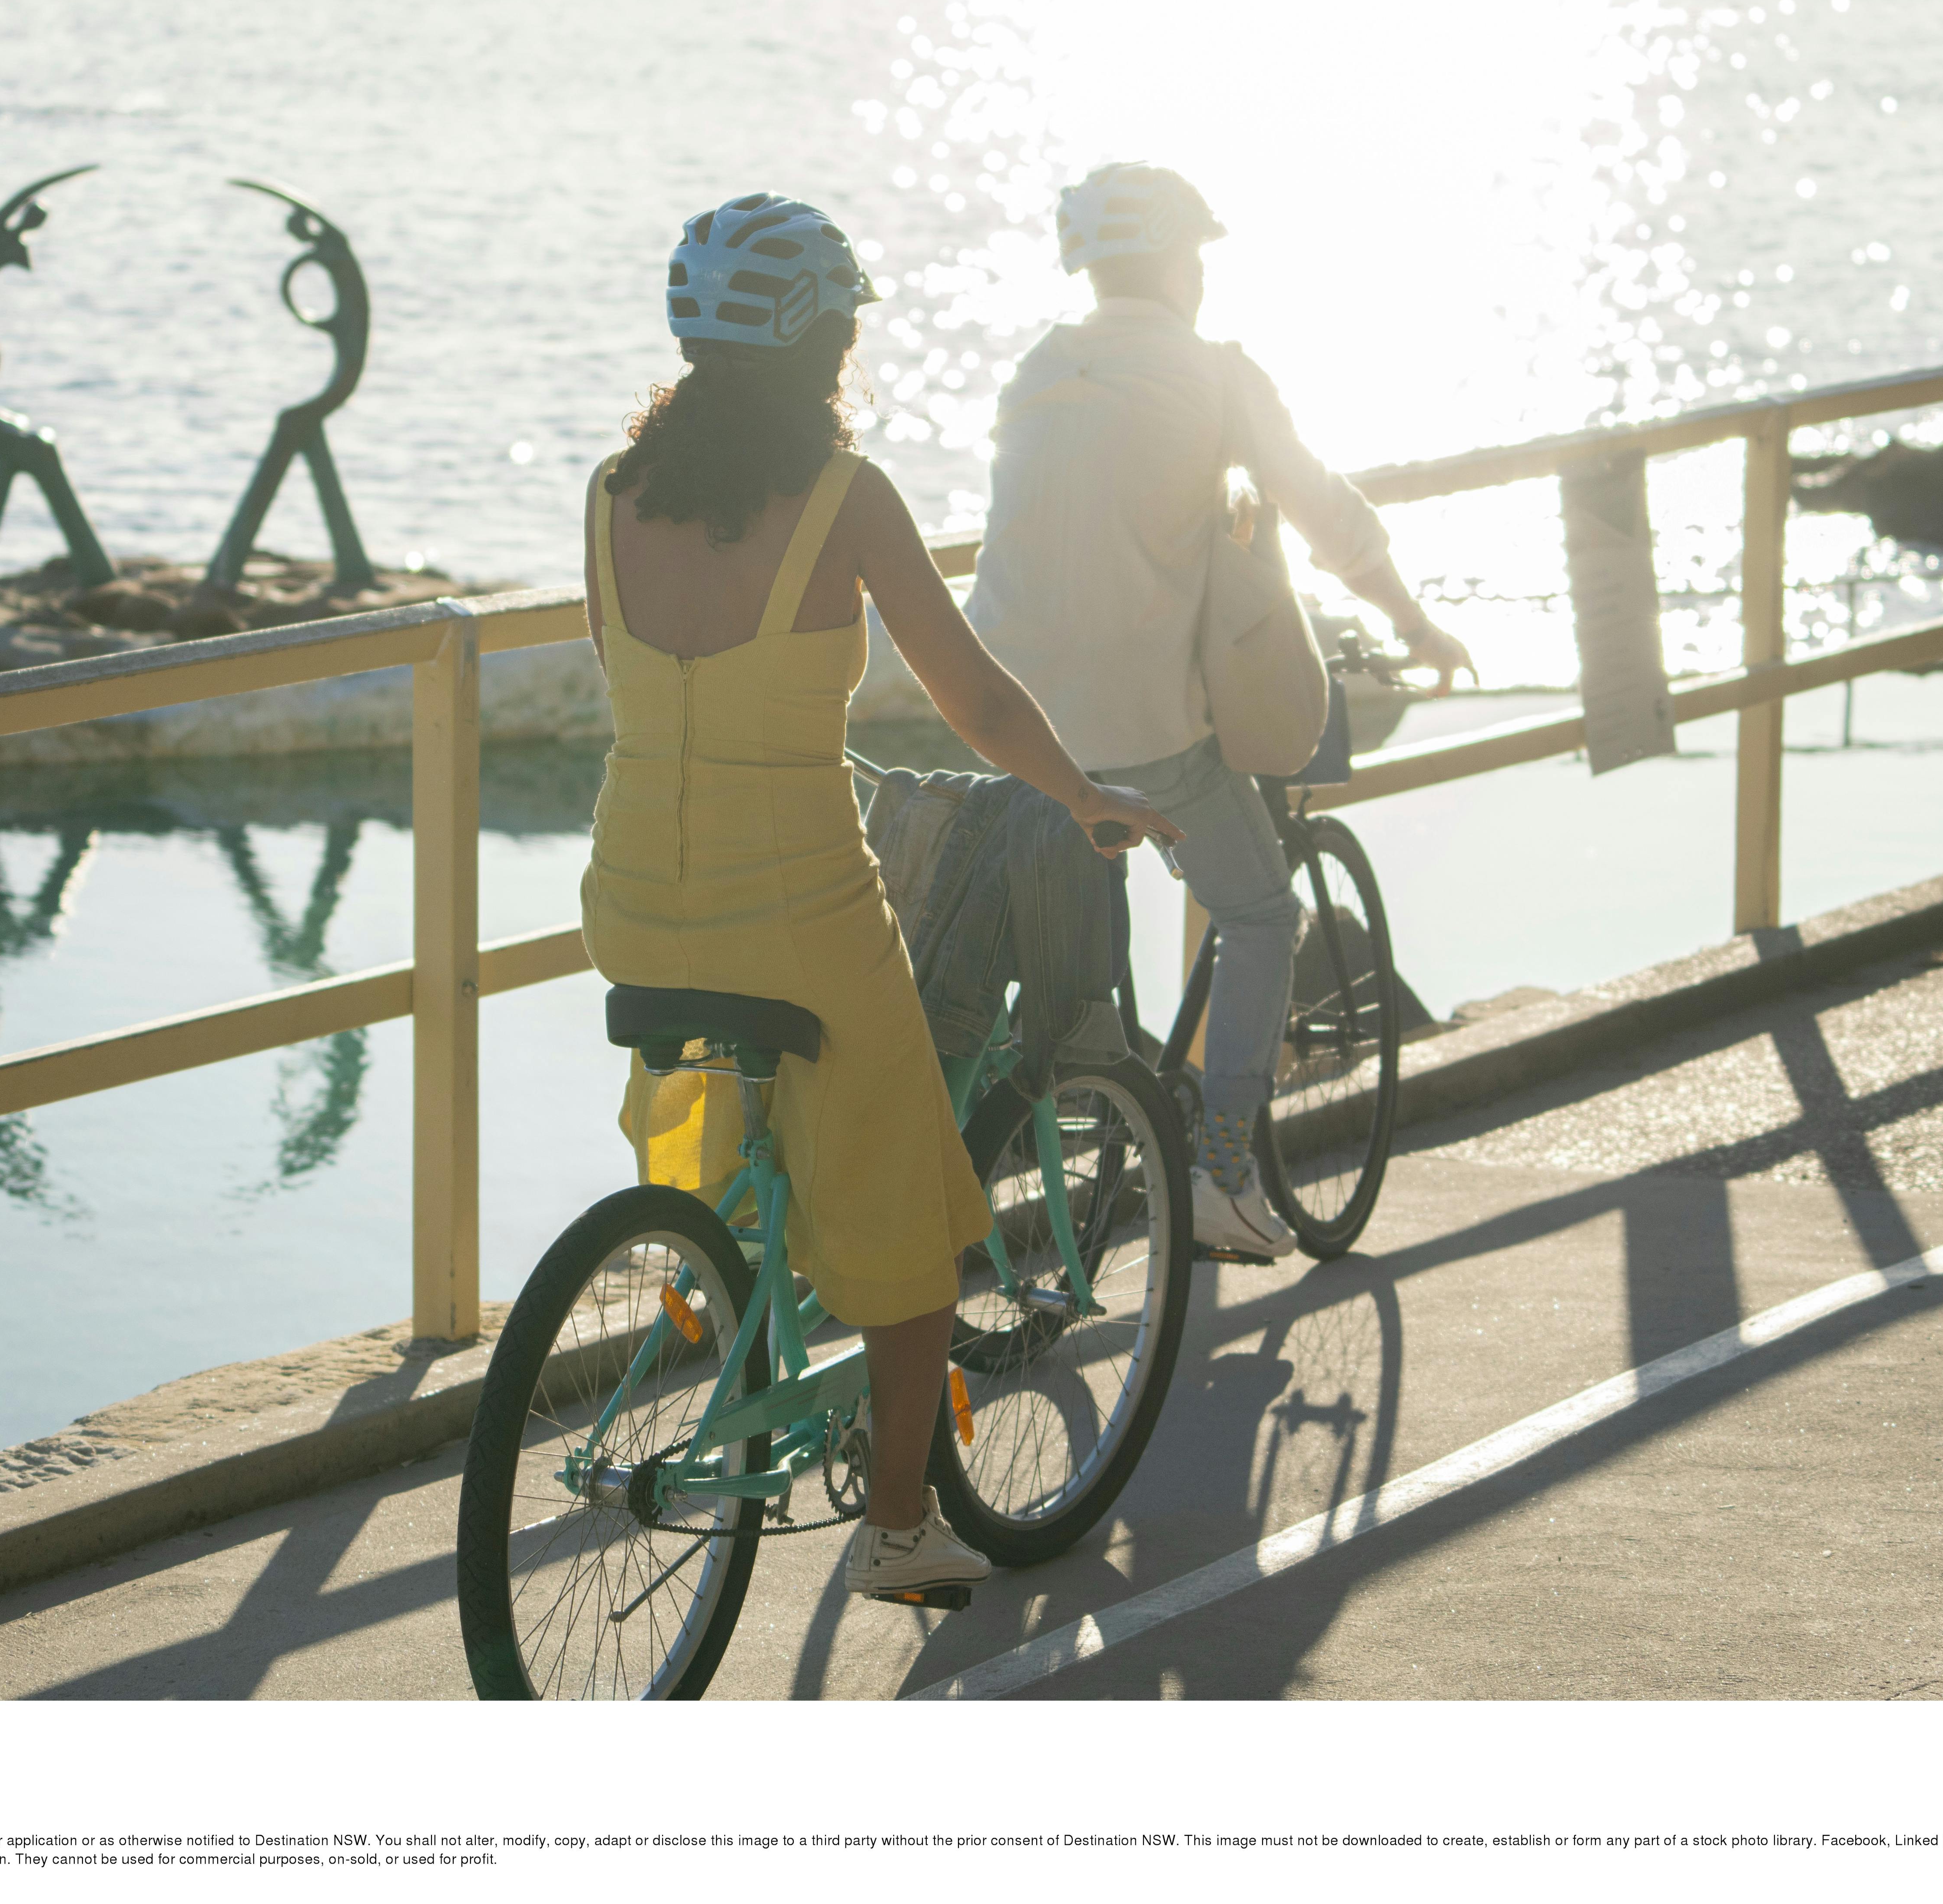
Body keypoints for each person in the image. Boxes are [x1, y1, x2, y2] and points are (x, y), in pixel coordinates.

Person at [580, 191, 1185, 1602]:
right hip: (794, 915)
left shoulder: (612, 495)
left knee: (768, 1141)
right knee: (917, 1238)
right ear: (823, 346)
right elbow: (971, 695)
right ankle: (902, 1527)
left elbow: (651, 683)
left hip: (628, 898)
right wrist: (1082, 795)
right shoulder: (845, 500)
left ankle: (740, 1295)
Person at [963, 162, 1472, 1261]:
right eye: (1197, 256)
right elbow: (1324, 511)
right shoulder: (1214, 372)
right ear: (1181, 262)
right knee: (1258, 915)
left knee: (1049, 957)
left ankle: (1042, 1133)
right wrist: (1416, 624)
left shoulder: (1038, 366)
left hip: (996, 710)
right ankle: (1224, 1167)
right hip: (1140, 725)